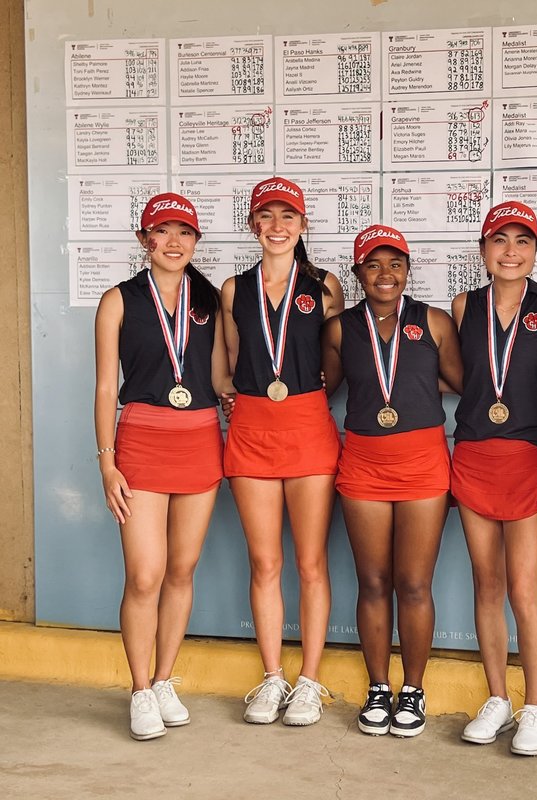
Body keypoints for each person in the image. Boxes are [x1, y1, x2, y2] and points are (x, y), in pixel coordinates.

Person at [94, 192, 230, 740]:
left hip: (199, 440)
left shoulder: (209, 298)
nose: (174, 242)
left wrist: (243, 397)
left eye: (184, 232)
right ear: (143, 239)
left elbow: (219, 373)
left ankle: (167, 678)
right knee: (144, 574)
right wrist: (108, 464)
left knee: (180, 571)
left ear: (196, 241)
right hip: (143, 441)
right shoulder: (118, 300)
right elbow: (106, 388)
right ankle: (140, 689)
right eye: (162, 231)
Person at [321, 224, 463, 738]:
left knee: (413, 583)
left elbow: (463, 381)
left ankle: (414, 689)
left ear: (408, 270)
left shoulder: (436, 322)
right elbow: (323, 386)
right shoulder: (339, 328)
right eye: (374, 264)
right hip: (362, 462)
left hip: (424, 462)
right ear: (359, 271)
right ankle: (379, 686)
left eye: (395, 263)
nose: (386, 274)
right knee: (374, 581)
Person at [451, 202, 537, 755]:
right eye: (499, 240)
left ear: (535, 251)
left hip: (530, 456)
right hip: (476, 452)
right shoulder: (462, 306)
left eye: (522, 241)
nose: (510, 251)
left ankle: (535, 706)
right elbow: (463, 376)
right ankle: (498, 698)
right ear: (482, 250)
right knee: (487, 583)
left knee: (525, 588)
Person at [220, 177, 344, 727]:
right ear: (253, 225)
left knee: (311, 561)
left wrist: (315, 389)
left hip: (307, 424)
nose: (277, 226)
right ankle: (272, 678)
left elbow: (337, 358)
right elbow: (229, 355)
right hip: (251, 425)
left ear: (302, 225)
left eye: (287, 216)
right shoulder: (233, 289)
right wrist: (231, 393)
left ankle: (310, 681)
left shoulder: (326, 285)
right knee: (265, 562)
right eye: (266, 216)